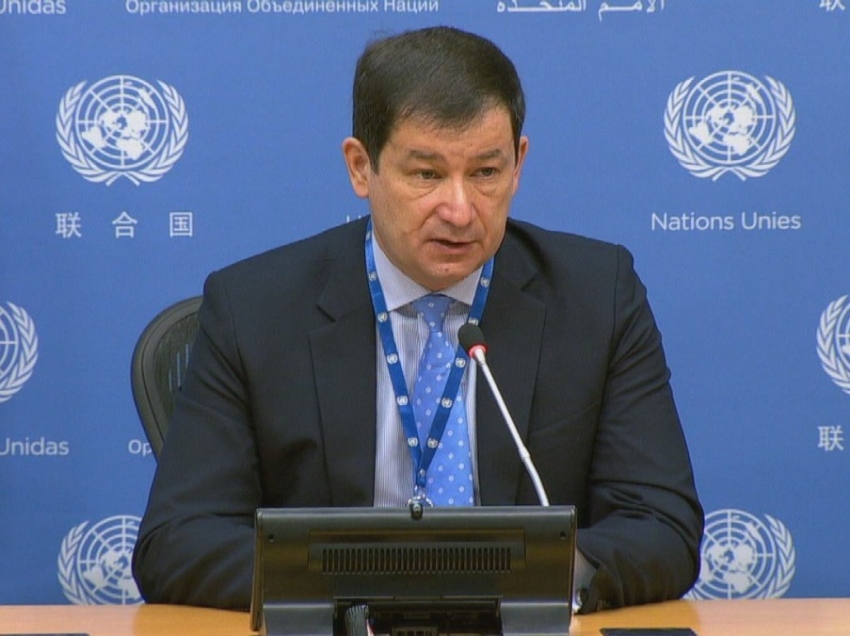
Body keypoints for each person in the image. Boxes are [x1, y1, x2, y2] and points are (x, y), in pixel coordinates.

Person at [133, 25, 703, 614]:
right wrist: (373, 589)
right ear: (361, 167)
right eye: (427, 174)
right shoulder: (254, 309)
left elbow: (661, 525)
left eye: (485, 173)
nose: (459, 210)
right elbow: (177, 542)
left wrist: (526, 581)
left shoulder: (597, 297)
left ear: (518, 165)